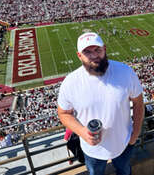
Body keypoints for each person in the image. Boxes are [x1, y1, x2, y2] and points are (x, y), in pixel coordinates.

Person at [58, 32, 144, 175]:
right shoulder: (70, 83)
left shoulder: (125, 72)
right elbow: (63, 113)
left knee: (124, 170)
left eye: (97, 49)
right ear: (79, 55)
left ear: (105, 49)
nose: (94, 55)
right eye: (87, 52)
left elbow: (138, 103)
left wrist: (135, 134)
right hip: (92, 150)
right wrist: (82, 132)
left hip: (124, 143)